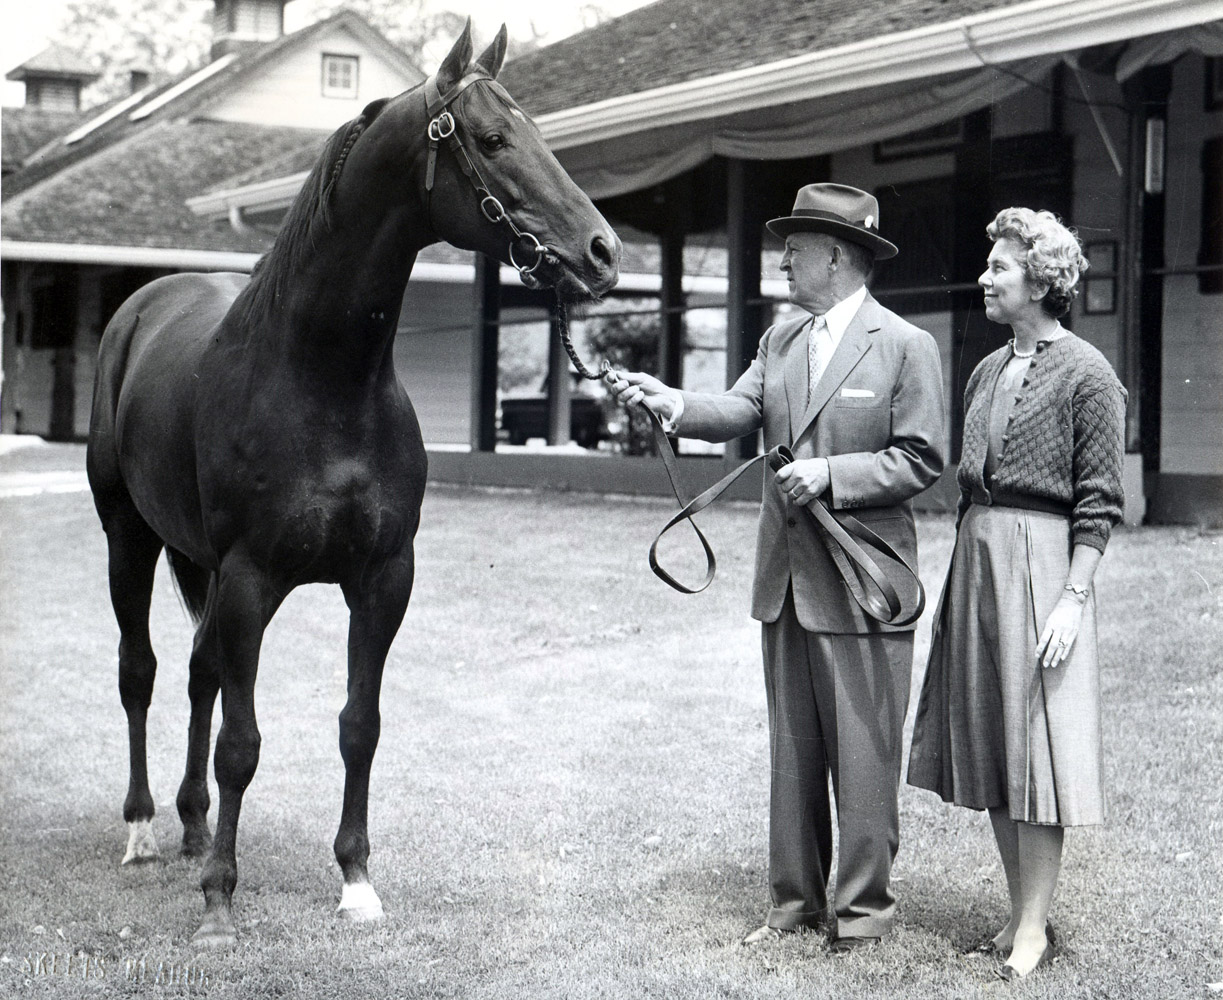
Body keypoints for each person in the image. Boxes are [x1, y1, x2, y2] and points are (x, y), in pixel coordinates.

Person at [606, 183, 945, 953]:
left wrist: (831, 474)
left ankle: (862, 920)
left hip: (861, 582)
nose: (783, 258)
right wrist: (670, 403)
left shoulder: (903, 346)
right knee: (792, 760)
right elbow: (737, 409)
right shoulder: (779, 342)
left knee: (863, 760)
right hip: (785, 585)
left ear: (837, 256)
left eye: (794, 247)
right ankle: (793, 910)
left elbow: (921, 457)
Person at [906, 208, 1126, 980]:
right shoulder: (984, 368)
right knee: (995, 745)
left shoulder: (1089, 375)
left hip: (1042, 568)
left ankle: (1034, 928)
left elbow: (1099, 503)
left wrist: (1071, 597)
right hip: (980, 559)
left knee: (1036, 747)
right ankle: (1017, 914)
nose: (984, 277)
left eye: (998, 267)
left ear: (1040, 279)